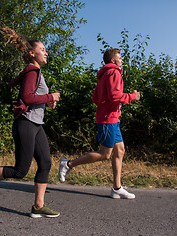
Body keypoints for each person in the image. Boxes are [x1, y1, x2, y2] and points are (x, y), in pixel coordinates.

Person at [0, 25, 61, 218]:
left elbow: (34, 98)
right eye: (43, 50)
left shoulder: (36, 72)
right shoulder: (32, 71)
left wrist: (48, 102)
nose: (46, 53)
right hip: (26, 123)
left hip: (36, 124)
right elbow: (28, 97)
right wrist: (49, 97)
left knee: (46, 163)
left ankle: (38, 206)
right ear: (32, 53)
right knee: (20, 170)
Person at [58, 48, 140, 199]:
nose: (122, 60)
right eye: (120, 57)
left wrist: (108, 106)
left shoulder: (104, 74)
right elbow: (115, 95)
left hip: (111, 118)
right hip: (108, 119)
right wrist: (132, 97)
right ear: (113, 60)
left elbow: (95, 97)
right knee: (105, 154)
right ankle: (68, 164)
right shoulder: (113, 72)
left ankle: (117, 188)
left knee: (120, 150)